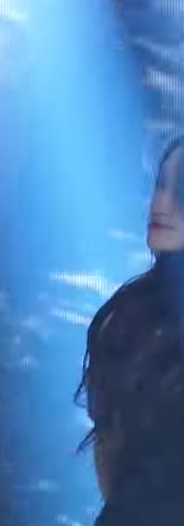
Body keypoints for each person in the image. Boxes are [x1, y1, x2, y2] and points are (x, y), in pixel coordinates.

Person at [76, 137, 184, 525]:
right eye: (160, 184)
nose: (160, 203)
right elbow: (109, 451)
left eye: (181, 190)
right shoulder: (125, 317)